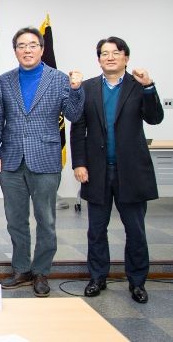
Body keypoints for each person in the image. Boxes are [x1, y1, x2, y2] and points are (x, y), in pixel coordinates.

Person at [0, 27, 84, 298]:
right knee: (15, 220)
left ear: (42, 49)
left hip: (45, 158)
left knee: (46, 219)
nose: (27, 50)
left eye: (33, 45)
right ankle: (21, 269)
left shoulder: (59, 79)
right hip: (11, 160)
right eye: (21, 45)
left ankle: (41, 271)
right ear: (15, 50)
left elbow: (74, 114)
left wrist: (76, 90)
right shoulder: (4, 80)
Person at [70, 37, 164, 304]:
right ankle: (97, 277)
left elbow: (155, 118)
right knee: (96, 230)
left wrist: (149, 86)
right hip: (97, 171)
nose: (109, 57)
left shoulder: (138, 85)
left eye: (115, 52)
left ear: (126, 57)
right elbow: (78, 128)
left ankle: (137, 282)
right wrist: (79, 163)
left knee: (135, 230)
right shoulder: (87, 88)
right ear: (98, 59)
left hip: (131, 171)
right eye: (104, 53)